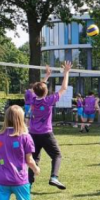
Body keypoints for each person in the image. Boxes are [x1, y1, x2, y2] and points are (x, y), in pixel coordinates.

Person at [28, 61, 71, 190]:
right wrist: (66, 73)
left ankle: (29, 183)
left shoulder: (32, 99)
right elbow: (64, 88)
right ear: (46, 92)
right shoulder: (48, 101)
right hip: (46, 134)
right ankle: (54, 177)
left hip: (33, 134)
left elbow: (38, 89)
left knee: (34, 158)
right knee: (57, 155)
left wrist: (46, 76)